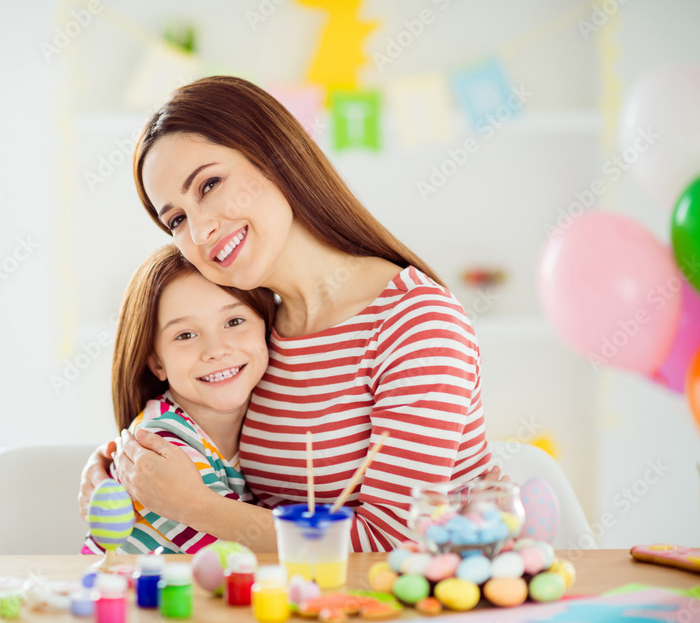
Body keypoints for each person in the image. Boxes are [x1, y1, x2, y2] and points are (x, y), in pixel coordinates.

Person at [80, 75, 494, 552]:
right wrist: (121, 469)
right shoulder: (255, 332)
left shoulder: (416, 323)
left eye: (210, 184)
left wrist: (194, 507)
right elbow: (205, 441)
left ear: (277, 159)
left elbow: (389, 545)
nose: (200, 229)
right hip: (288, 614)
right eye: (175, 219)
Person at [83, 244, 276, 554]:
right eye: (185, 335)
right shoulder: (162, 443)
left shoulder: (270, 417)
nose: (216, 349)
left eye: (234, 322)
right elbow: (239, 557)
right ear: (157, 363)